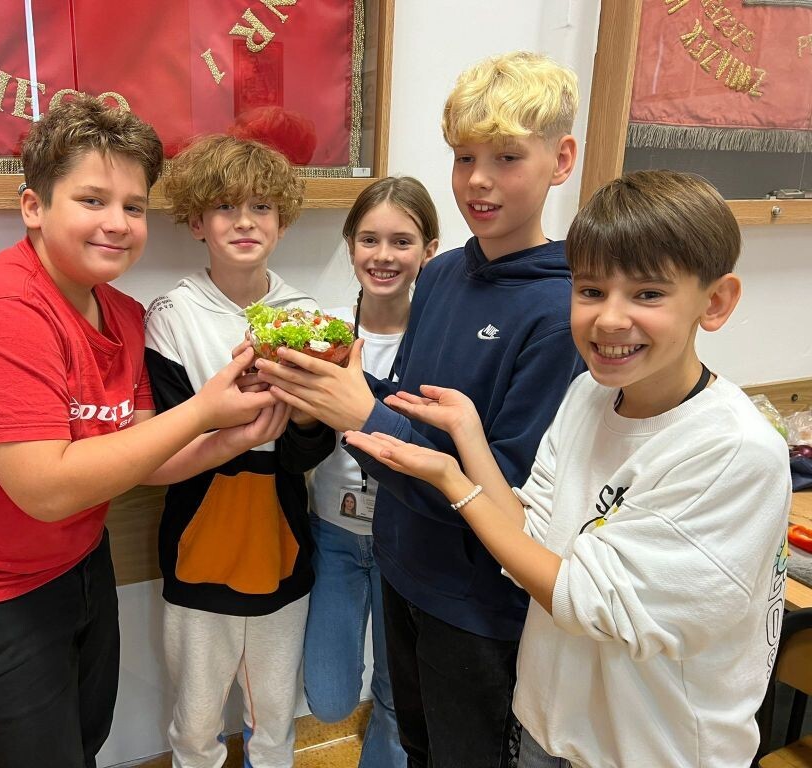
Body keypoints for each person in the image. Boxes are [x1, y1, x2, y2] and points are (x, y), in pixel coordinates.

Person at [344, 170, 792, 768]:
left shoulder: (733, 450)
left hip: (649, 750)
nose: (610, 319)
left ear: (714, 302)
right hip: (548, 727)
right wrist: (469, 436)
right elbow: (529, 528)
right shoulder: (588, 395)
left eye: (648, 294)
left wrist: (452, 479)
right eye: (591, 291)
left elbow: (587, 599)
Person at [0, 96, 280, 768]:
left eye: (133, 206)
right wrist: (203, 412)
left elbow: (145, 455)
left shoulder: (121, 313)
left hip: (78, 560)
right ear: (33, 207)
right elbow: (46, 490)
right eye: (92, 200)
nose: (117, 223)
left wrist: (231, 438)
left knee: (82, 743)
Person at [255, 52, 584, 767]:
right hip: (401, 565)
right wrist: (319, 384)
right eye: (464, 158)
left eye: (506, 157)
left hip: (477, 603)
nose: (478, 180)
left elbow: (510, 492)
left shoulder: (562, 311)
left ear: (561, 160)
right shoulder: (440, 276)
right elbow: (407, 408)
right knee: (412, 741)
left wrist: (359, 413)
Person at [143, 134, 336, 768]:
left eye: (262, 207)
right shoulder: (172, 314)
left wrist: (302, 414)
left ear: (283, 221)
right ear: (197, 221)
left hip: (283, 542)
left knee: (275, 720)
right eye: (226, 206)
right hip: (199, 544)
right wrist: (239, 422)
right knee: (196, 724)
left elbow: (311, 449)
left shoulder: (306, 315)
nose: (245, 221)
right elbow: (167, 440)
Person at [303, 176, 439, 768]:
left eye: (402, 242)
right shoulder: (324, 329)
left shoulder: (439, 337)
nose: (383, 256)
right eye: (369, 239)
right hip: (333, 533)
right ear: (350, 244)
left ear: (429, 250)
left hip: (405, 538)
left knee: (394, 694)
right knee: (329, 698)